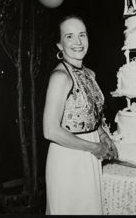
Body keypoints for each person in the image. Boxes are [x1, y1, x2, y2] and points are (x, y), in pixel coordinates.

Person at [43, 15, 118, 215]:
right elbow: (50, 130)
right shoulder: (60, 77)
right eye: (69, 36)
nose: (78, 42)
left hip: (90, 155)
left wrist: (102, 135)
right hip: (68, 158)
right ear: (59, 44)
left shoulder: (89, 74)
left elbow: (90, 115)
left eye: (82, 35)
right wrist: (94, 147)